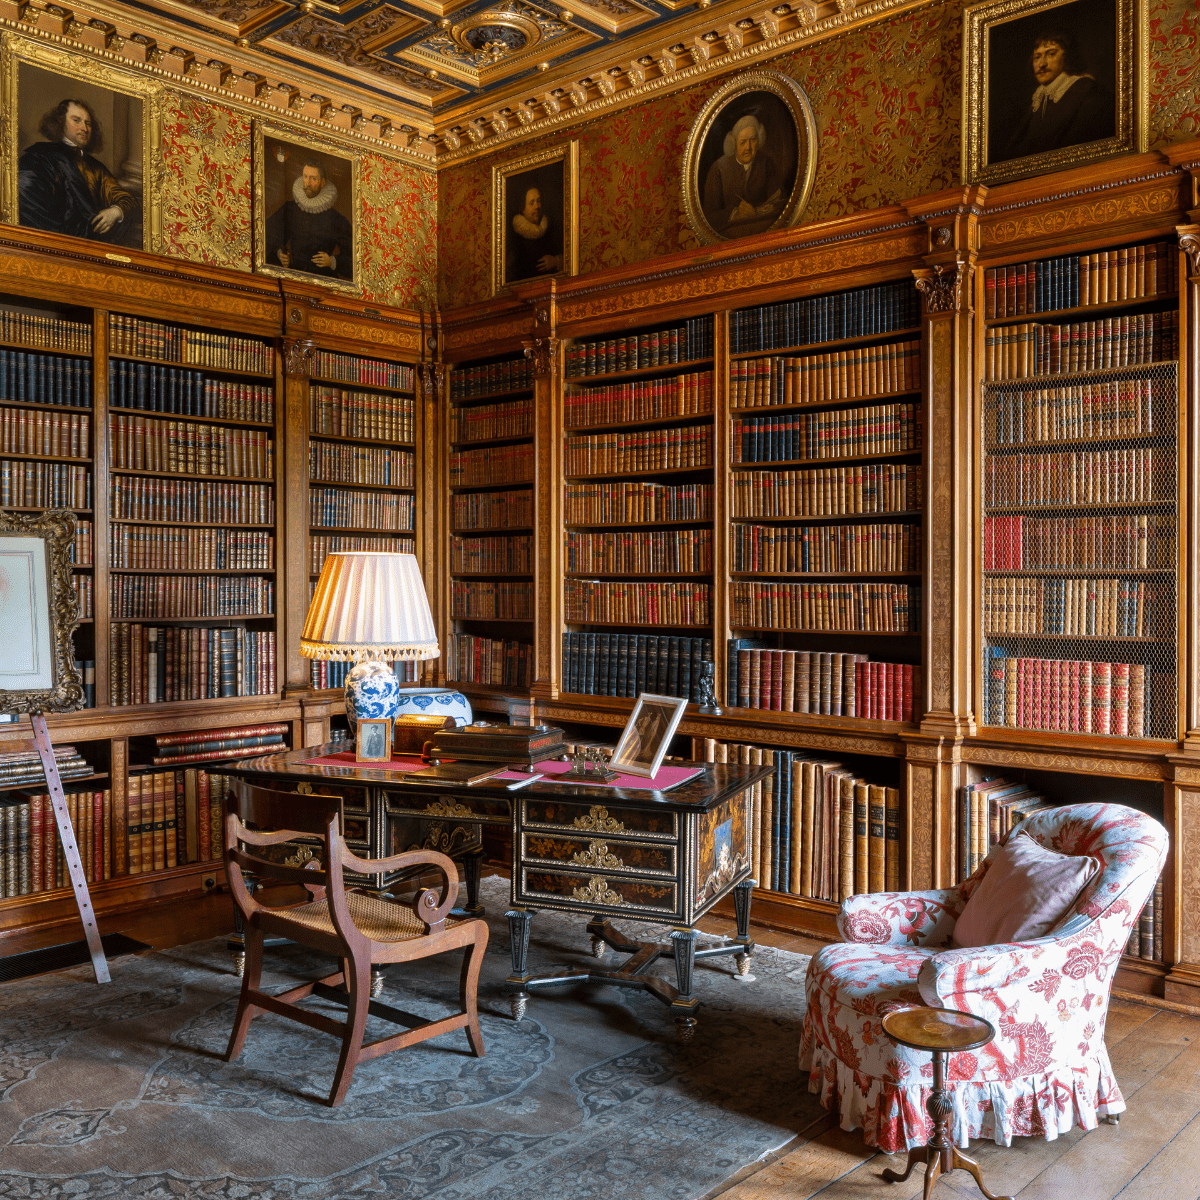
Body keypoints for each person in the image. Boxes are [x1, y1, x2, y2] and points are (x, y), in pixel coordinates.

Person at [18, 99, 137, 244]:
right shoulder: (40, 157)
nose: (84, 128)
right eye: (76, 120)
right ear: (60, 122)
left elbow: (126, 199)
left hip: (91, 245)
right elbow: (27, 200)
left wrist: (116, 211)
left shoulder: (96, 167)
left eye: (88, 123)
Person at [999, 28, 1114, 163]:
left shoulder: (1086, 90)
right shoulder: (1040, 98)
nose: (1041, 64)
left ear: (1067, 57)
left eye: (1051, 54)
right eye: (1037, 57)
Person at [265, 159, 352, 280]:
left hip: (323, 280)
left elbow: (355, 258)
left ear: (322, 183)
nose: (308, 183)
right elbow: (265, 237)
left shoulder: (335, 218)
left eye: (313, 178)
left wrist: (332, 262)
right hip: (293, 278)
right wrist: (279, 255)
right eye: (305, 177)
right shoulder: (290, 209)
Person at [702, 113, 786, 236]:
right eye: (743, 142)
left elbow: (781, 199)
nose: (748, 147)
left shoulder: (766, 162)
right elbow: (709, 216)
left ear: (760, 138)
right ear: (734, 143)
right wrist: (735, 214)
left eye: (753, 140)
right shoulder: (718, 168)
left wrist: (766, 209)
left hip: (763, 232)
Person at [508, 186, 562, 283]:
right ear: (523, 209)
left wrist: (556, 261)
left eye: (538, 201)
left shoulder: (551, 228)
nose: (537, 206)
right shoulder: (515, 239)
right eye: (531, 203)